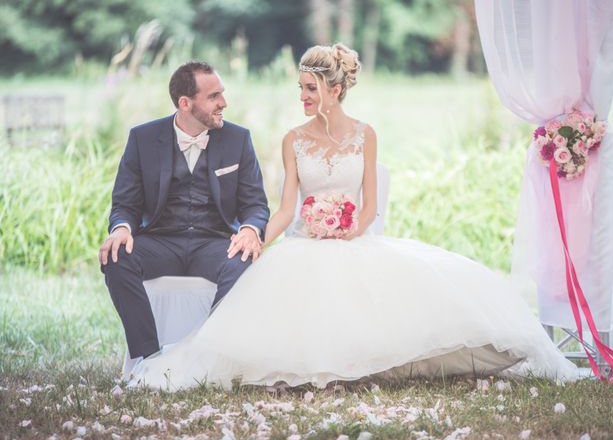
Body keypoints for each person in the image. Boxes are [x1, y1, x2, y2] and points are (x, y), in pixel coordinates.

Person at [129, 45, 577, 391]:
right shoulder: (293, 140)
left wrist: (345, 229)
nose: (302, 96)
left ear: (335, 90)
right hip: (303, 245)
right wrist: (257, 237)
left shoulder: (366, 135)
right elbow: (286, 207)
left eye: (310, 88)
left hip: (352, 240)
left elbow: (369, 207)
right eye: (300, 88)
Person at [100, 61, 269, 361]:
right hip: (160, 242)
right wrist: (122, 228)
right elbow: (125, 202)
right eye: (214, 96)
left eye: (222, 94)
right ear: (185, 103)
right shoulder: (143, 138)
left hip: (214, 243)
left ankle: (210, 354)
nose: (223, 103)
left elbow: (255, 203)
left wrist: (248, 230)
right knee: (116, 257)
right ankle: (147, 358)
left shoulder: (238, 139)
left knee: (245, 261)